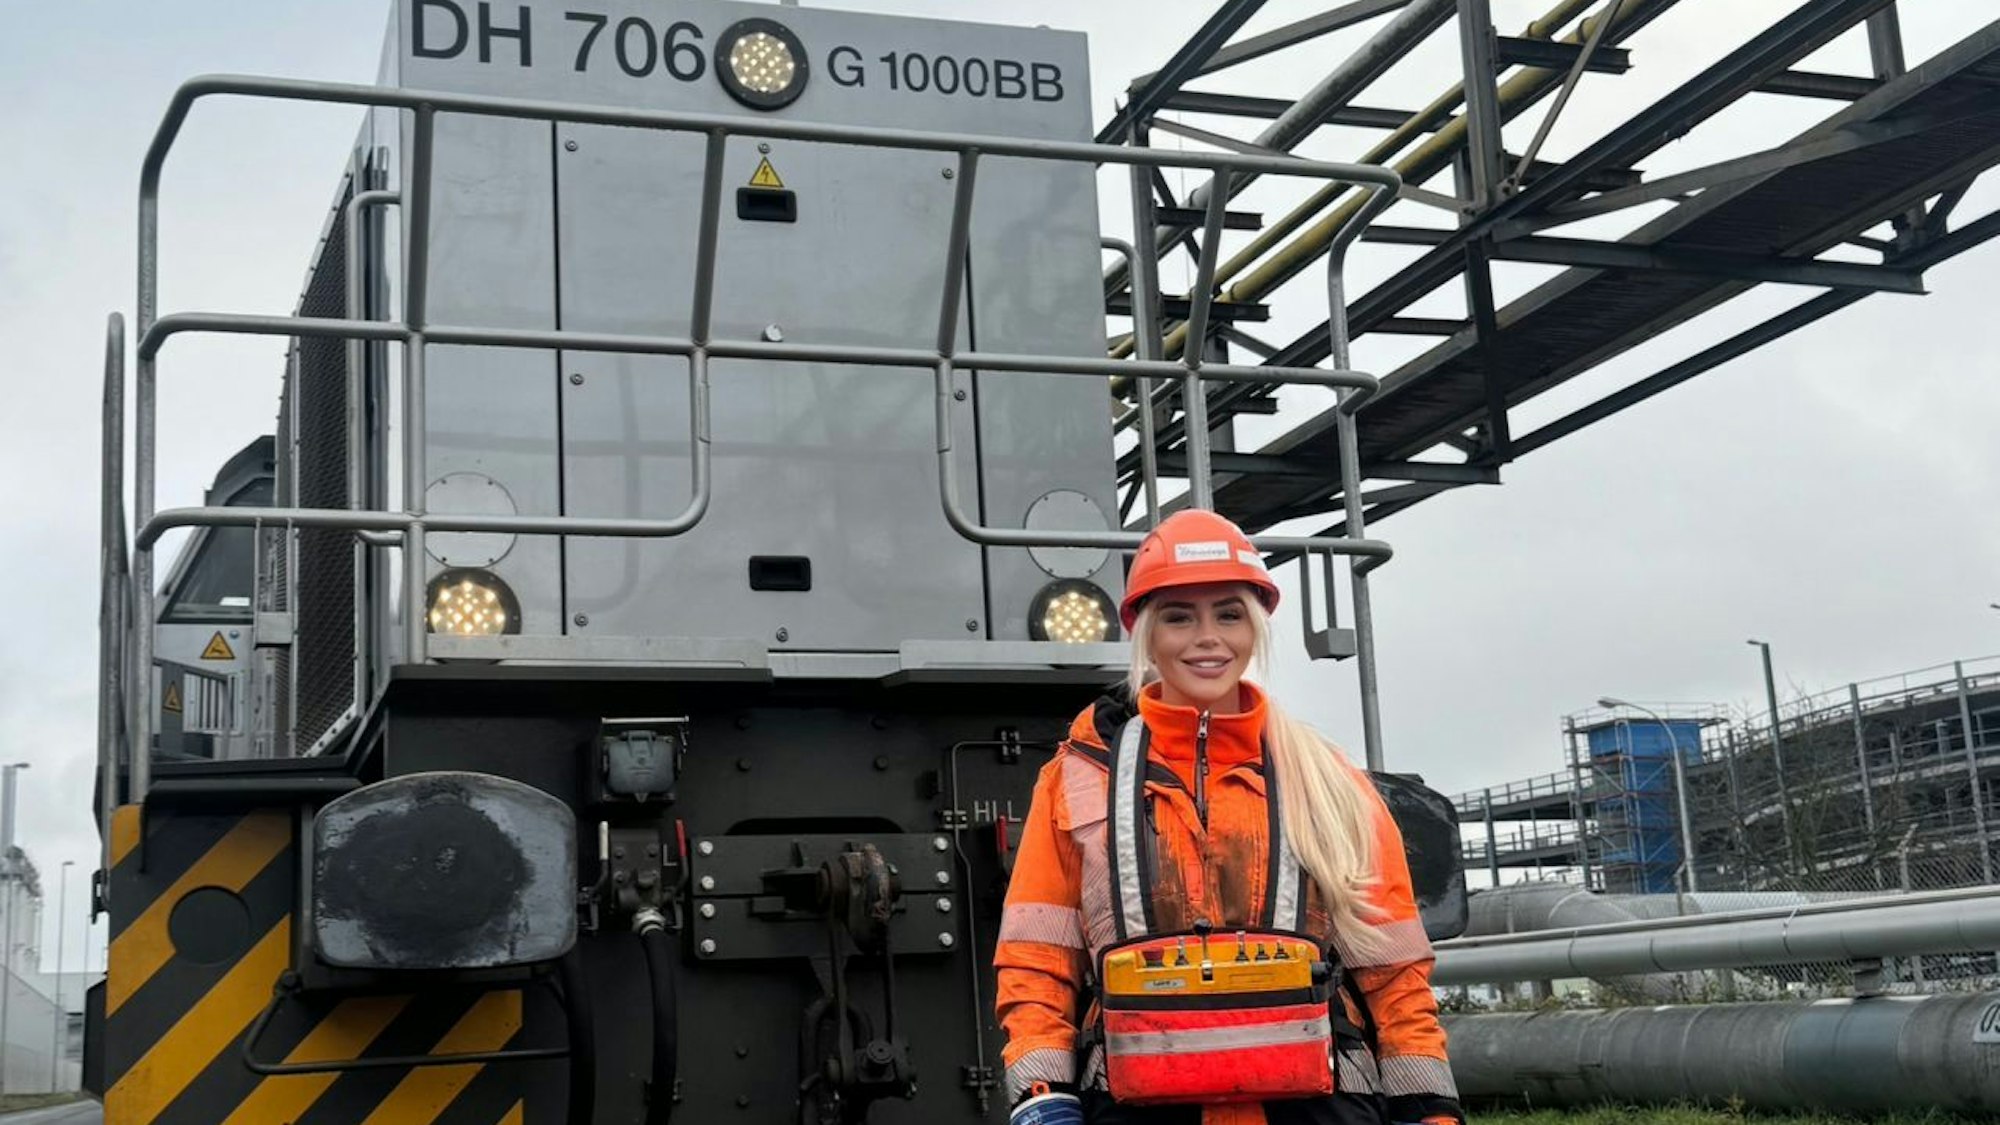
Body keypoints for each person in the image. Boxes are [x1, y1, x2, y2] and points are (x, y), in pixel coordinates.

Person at [995, 509, 1463, 1125]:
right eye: (1179, 617)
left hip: (1318, 1108)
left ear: (1256, 627)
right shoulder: (1079, 776)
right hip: (1140, 1106)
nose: (1206, 637)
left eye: (1229, 613)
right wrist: (1040, 1092)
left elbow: (1392, 966)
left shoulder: (1328, 779)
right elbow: (1037, 957)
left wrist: (1427, 1105)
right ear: (1146, 635)